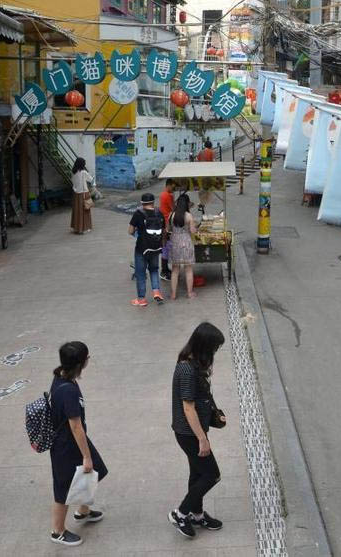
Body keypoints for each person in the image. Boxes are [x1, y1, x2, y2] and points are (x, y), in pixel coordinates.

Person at [169, 322, 226, 538]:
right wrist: (202, 438)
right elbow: (188, 407)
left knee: (198, 473)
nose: (215, 352)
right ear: (204, 345)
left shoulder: (196, 365)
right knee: (212, 475)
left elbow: (201, 397)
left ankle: (197, 514)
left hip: (195, 430)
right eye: (214, 347)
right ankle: (181, 513)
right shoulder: (186, 369)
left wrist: (213, 414)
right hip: (189, 433)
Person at [48, 341, 108, 547]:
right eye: (87, 357)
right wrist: (86, 456)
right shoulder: (68, 391)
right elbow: (75, 426)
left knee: (95, 471)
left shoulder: (62, 376)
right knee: (63, 487)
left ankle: (83, 511)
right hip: (66, 445)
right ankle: (57, 531)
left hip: (72, 441)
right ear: (81, 363)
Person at [128, 193, 165, 307]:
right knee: (154, 269)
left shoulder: (138, 213)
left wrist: (137, 233)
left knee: (140, 273)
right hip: (155, 248)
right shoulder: (159, 213)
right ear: (153, 202)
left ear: (142, 203)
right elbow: (164, 230)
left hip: (141, 249)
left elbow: (130, 231)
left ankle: (141, 299)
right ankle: (156, 291)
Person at [169, 193, 197, 300]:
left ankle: (173, 294)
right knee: (188, 269)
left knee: (175, 270)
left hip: (174, 242)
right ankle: (189, 293)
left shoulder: (171, 215)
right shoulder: (189, 216)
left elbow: (168, 229)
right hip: (186, 242)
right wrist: (194, 228)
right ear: (187, 204)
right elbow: (192, 231)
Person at [70, 158, 93, 234]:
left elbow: (73, 182)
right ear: (82, 164)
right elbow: (91, 180)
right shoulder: (83, 172)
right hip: (84, 193)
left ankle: (76, 228)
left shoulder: (73, 172)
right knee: (85, 210)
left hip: (76, 194)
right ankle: (84, 228)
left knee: (76, 211)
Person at [159, 179, 176, 281]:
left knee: (165, 247)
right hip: (167, 223)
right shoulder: (168, 195)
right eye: (173, 187)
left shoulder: (162, 194)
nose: (173, 189)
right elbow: (173, 209)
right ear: (168, 185)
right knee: (166, 247)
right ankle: (164, 271)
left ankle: (165, 269)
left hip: (164, 222)